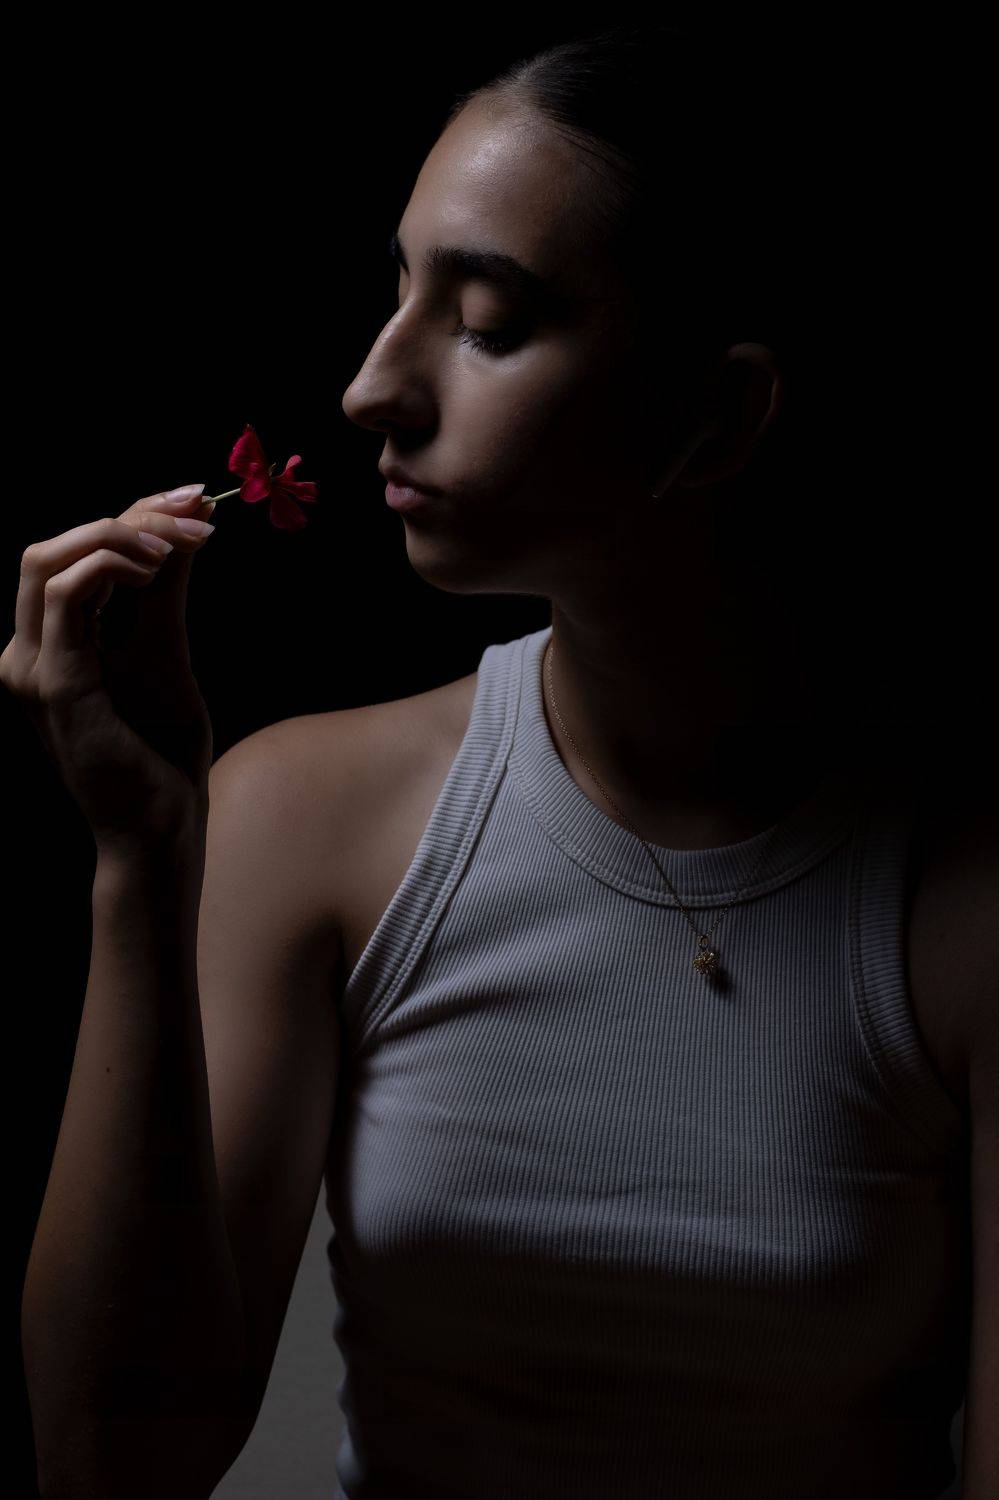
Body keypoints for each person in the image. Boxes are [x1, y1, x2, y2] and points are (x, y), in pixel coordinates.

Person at [9, 23, 995, 1500]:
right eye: (399, 289)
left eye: (486, 323)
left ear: (721, 414)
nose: (369, 389)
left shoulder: (958, 896)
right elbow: (109, 1465)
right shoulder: (305, 820)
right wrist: (139, 863)